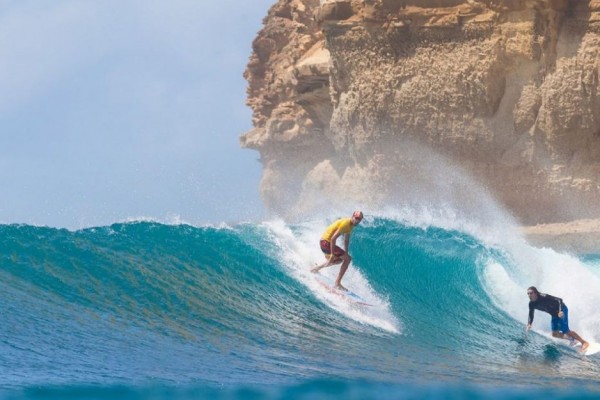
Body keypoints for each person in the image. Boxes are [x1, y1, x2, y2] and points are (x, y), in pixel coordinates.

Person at [311, 210, 363, 291]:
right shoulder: (346, 223)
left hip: (324, 243)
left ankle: (316, 269)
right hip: (326, 242)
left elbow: (346, 240)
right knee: (348, 259)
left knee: (339, 261)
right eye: (356, 218)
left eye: (359, 219)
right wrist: (332, 254)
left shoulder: (351, 226)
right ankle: (337, 283)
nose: (357, 221)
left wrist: (346, 253)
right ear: (352, 216)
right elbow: (333, 238)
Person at [526, 286, 589, 352]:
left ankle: (583, 342)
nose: (529, 295)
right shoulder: (531, 304)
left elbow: (559, 300)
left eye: (531, 293)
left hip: (562, 310)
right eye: (528, 294)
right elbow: (531, 313)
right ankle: (572, 339)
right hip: (554, 315)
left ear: (536, 293)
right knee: (555, 334)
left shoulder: (544, 296)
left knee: (565, 330)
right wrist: (529, 323)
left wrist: (560, 311)